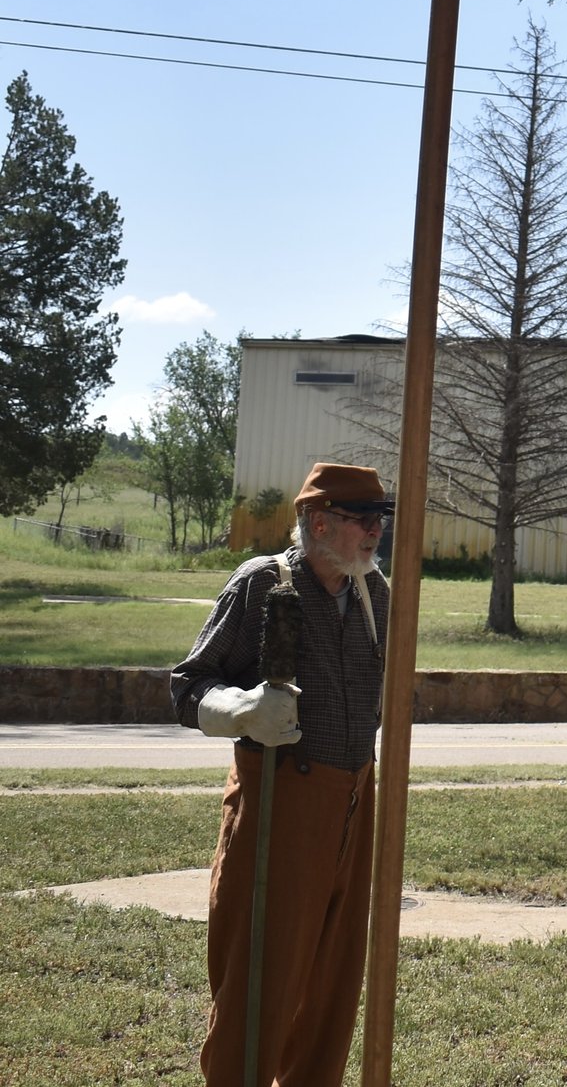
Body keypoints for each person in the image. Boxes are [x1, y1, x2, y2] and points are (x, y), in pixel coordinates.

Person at [171, 462, 394, 1087]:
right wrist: (240, 709)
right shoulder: (264, 583)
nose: (376, 531)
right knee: (260, 978)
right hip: (282, 797)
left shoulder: (374, 592)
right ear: (319, 522)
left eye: (381, 518)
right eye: (363, 519)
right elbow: (188, 688)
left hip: (357, 795)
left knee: (334, 982)